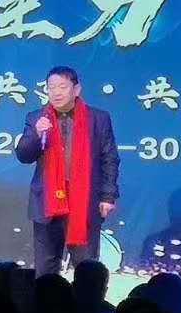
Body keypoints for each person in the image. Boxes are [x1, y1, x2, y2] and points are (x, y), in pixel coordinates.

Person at [14, 65, 120, 275]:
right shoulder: (36, 118)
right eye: (51, 87)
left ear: (76, 89)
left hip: (84, 202)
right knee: (45, 271)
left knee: (86, 270)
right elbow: (24, 156)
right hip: (47, 203)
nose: (56, 92)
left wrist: (108, 196)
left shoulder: (98, 118)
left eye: (62, 87)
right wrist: (36, 134)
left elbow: (109, 158)